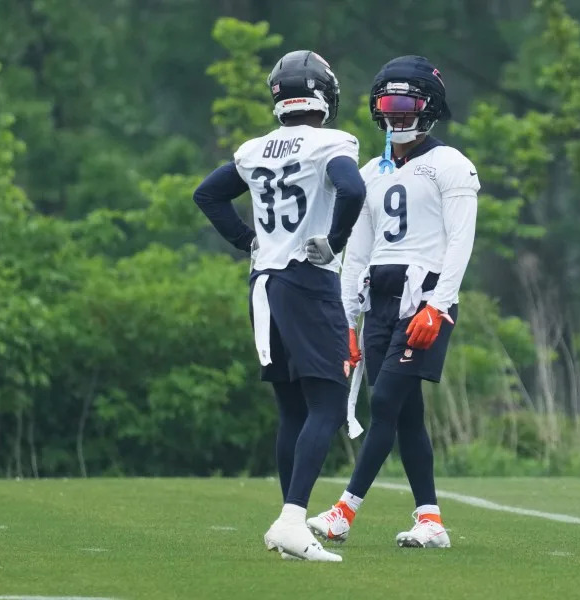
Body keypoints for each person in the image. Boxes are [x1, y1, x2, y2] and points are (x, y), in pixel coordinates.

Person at [193, 49, 366, 562]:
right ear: (324, 96)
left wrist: (248, 239)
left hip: (263, 285)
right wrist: (334, 240)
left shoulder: (253, 150)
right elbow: (352, 187)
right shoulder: (333, 141)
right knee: (329, 403)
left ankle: (290, 526)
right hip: (307, 282)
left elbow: (207, 195)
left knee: (293, 407)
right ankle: (293, 519)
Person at [307, 56, 480, 548]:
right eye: (387, 105)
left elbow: (460, 243)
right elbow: (356, 254)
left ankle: (344, 512)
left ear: (429, 107)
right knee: (405, 415)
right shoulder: (370, 173)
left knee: (383, 403)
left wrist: (440, 305)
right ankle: (431, 521)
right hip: (379, 305)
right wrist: (346, 321)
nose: (397, 115)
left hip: (424, 301)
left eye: (406, 105)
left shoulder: (450, 165)